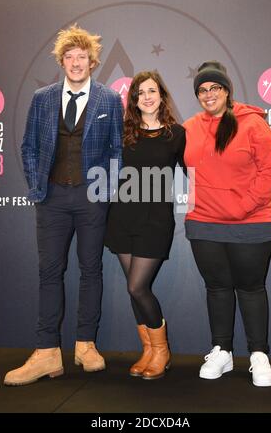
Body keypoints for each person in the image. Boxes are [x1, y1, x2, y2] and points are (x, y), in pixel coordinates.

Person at [4, 25, 123, 386]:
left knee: (91, 271)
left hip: (91, 198)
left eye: (81, 57)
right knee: (49, 273)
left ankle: (85, 345)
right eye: (69, 57)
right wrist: (37, 185)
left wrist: (106, 189)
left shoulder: (108, 100)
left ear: (92, 61)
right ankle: (46, 352)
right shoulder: (42, 97)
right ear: (61, 61)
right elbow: (28, 146)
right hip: (52, 198)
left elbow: (117, 149)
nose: (75, 62)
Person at [183, 61, 271, 387]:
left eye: (215, 88)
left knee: (251, 288)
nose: (208, 94)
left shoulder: (252, 124)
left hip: (252, 223)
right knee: (218, 288)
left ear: (226, 91)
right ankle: (222, 350)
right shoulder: (190, 127)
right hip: (204, 224)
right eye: (202, 90)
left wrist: (242, 206)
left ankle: (258, 354)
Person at [105, 71, 186, 380]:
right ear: (134, 100)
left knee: (137, 286)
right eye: (140, 93)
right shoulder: (122, 131)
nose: (147, 97)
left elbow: (193, 172)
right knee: (134, 291)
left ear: (161, 95)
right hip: (122, 218)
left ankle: (162, 351)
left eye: (152, 91)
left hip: (156, 220)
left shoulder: (176, 134)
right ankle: (148, 350)